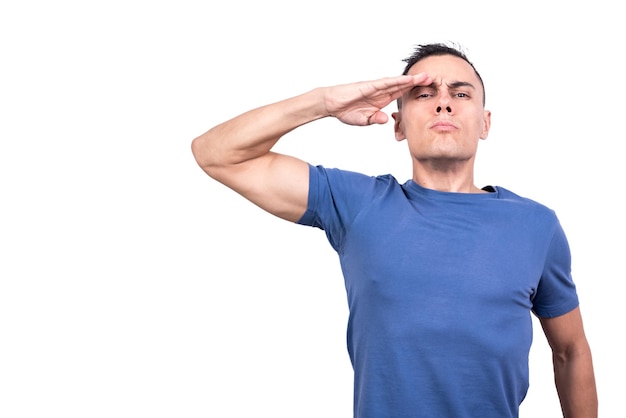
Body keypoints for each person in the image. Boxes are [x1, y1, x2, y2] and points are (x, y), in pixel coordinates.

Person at [191, 43, 597, 417]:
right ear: (398, 124)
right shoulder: (358, 203)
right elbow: (216, 154)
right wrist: (324, 102)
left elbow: (570, 349)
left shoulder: (536, 224)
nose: (443, 104)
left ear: (484, 122)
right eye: (424, 94)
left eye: (460, 93)